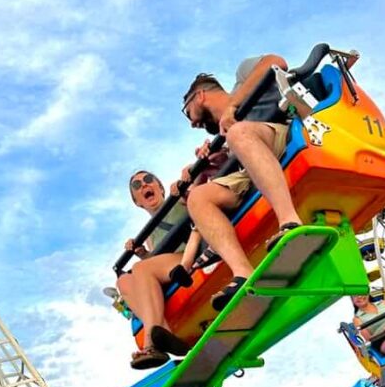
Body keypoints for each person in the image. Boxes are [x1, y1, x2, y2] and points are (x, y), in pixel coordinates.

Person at [180, 55, 305, 311]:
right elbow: (240, 158)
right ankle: (243, 274)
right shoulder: (226, 136)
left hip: (281, 133)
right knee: (199, 197)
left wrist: (232, 108)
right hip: (250, 163)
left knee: (239, 132)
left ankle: (290, 222)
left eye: (188, 112)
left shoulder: (243, 77)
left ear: (200, 95)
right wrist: (213, 163)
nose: (192, 123)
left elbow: (276, 61)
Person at [117, 170, 200, 369]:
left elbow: (195, 192)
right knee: (123, 281)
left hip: (190, 254)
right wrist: (143, 253)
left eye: (148, 180)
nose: (144, 185)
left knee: (139, 268)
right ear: (137, 202)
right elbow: (154, 263)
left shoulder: (176, 200)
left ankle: (151, 343)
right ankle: (162, 329)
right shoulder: (148, 232)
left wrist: (183, 188)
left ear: (160, 187)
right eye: (137, 186)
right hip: (167, 267)